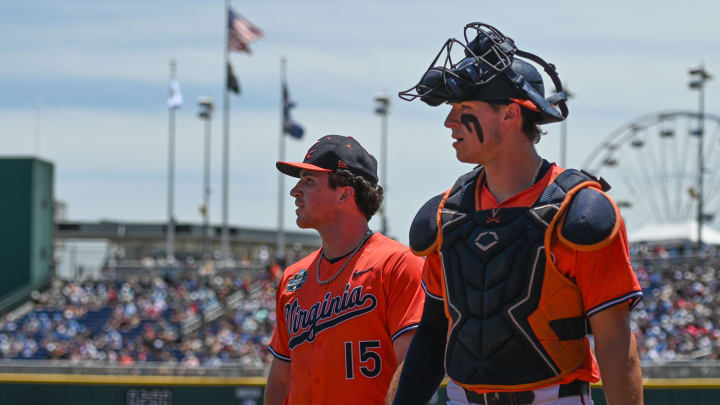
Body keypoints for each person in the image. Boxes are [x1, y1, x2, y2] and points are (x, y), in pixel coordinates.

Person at [388, 23, 644, 405]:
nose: (449, 122)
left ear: (510, 114)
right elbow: (432, 334)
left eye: (464, 109)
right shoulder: (448, 212)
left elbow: (614, 342)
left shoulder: (580, 210)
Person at [264, 135, 425, 405]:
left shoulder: (398, 265)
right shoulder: (293, 278)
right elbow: (281, 380)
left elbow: (413, 367)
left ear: (344, 193)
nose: (295, 191)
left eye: (309, 181)